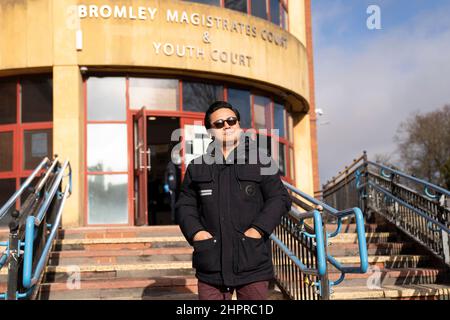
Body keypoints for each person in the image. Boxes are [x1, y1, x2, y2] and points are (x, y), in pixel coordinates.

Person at [175, 101, 291, 300]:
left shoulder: (261, 161)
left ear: (238, 125)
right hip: (210, 263)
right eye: (219, 123)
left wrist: (257, 230)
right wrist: (197, 233)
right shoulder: (197, 167)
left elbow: (279, 198)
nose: (227, 126)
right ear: (210, 131)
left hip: (251, 261)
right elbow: (185, 205)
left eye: (231, 120)